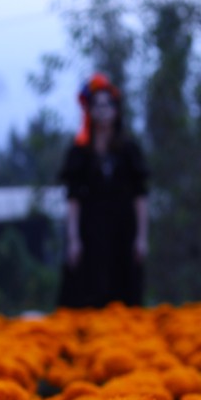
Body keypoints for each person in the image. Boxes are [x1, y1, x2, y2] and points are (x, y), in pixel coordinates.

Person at [56, 73, 149, 308]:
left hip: (123, 230)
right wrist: (73, 239)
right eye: (96, 105)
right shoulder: (80, 152)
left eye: (107, 104)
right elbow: (73, 199)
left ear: (116, 110)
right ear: (89, 110)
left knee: (124, 290)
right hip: (91, 230)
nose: (102, 110)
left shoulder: (128, 150)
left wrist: (141, 237)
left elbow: (140, 195)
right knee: (87, 290)